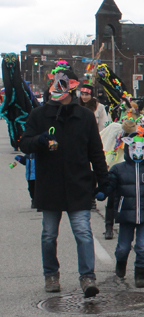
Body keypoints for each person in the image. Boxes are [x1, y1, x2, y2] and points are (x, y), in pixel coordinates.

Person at [19, 69, 108, 297]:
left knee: (83, 232)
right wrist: (40, 140)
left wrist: (104, 181)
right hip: (50, 185)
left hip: (78, 184)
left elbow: (96, 152)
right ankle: (51, 274)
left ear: (72, 87)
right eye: (55, 83)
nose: (58, 87)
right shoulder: (39, 115)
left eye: (63, 83)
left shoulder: (85, 116)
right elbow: (25, 143)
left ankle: (87, 277)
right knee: (49, 234)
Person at [95, 127, 144, 288]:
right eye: (134, 149)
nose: (138, 152)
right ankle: (121, 264)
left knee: (142, 246)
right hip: (126, 215)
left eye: (141, 149)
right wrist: (102, 192)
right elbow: (110, 185)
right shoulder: (119, 169)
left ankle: (140, 273)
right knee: (124, 246)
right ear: (128, 148)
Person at [100, 104, 142, 239]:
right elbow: (102, 140)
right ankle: (108, 227)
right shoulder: (114, 131)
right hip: (115, 170)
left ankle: (130, 226)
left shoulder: (138, 138)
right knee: (112, 199)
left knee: (130, 200)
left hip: (130, 172)